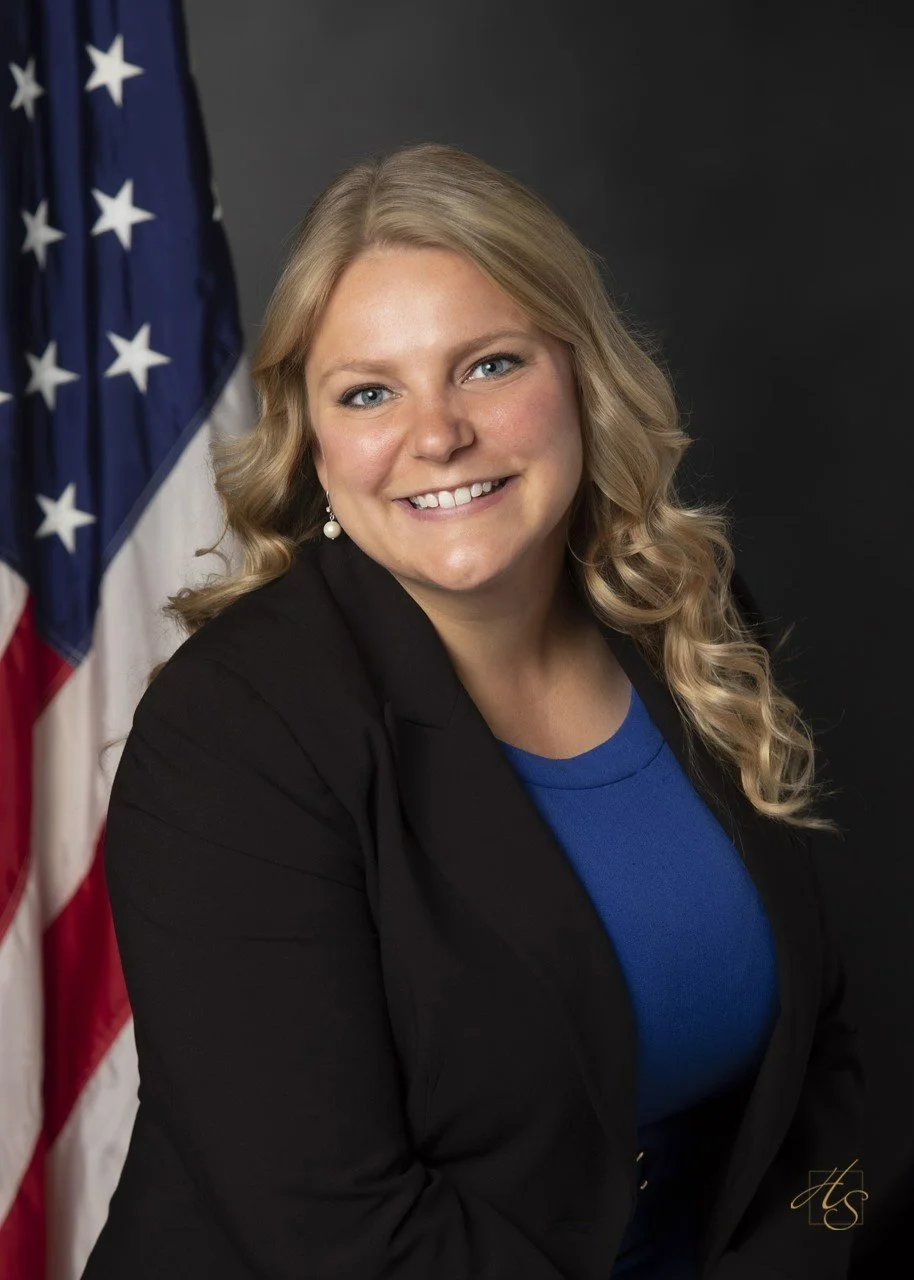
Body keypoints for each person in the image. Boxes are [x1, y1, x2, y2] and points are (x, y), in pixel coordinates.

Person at [82, 143, 864, 1279]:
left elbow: (830, 1047)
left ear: (581, 375)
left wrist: (809, 1256)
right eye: (369, 392)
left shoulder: (685, 613)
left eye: (489, 365)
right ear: (312, 439)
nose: (438, 433)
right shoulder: (232, 735)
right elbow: (338, 1229)